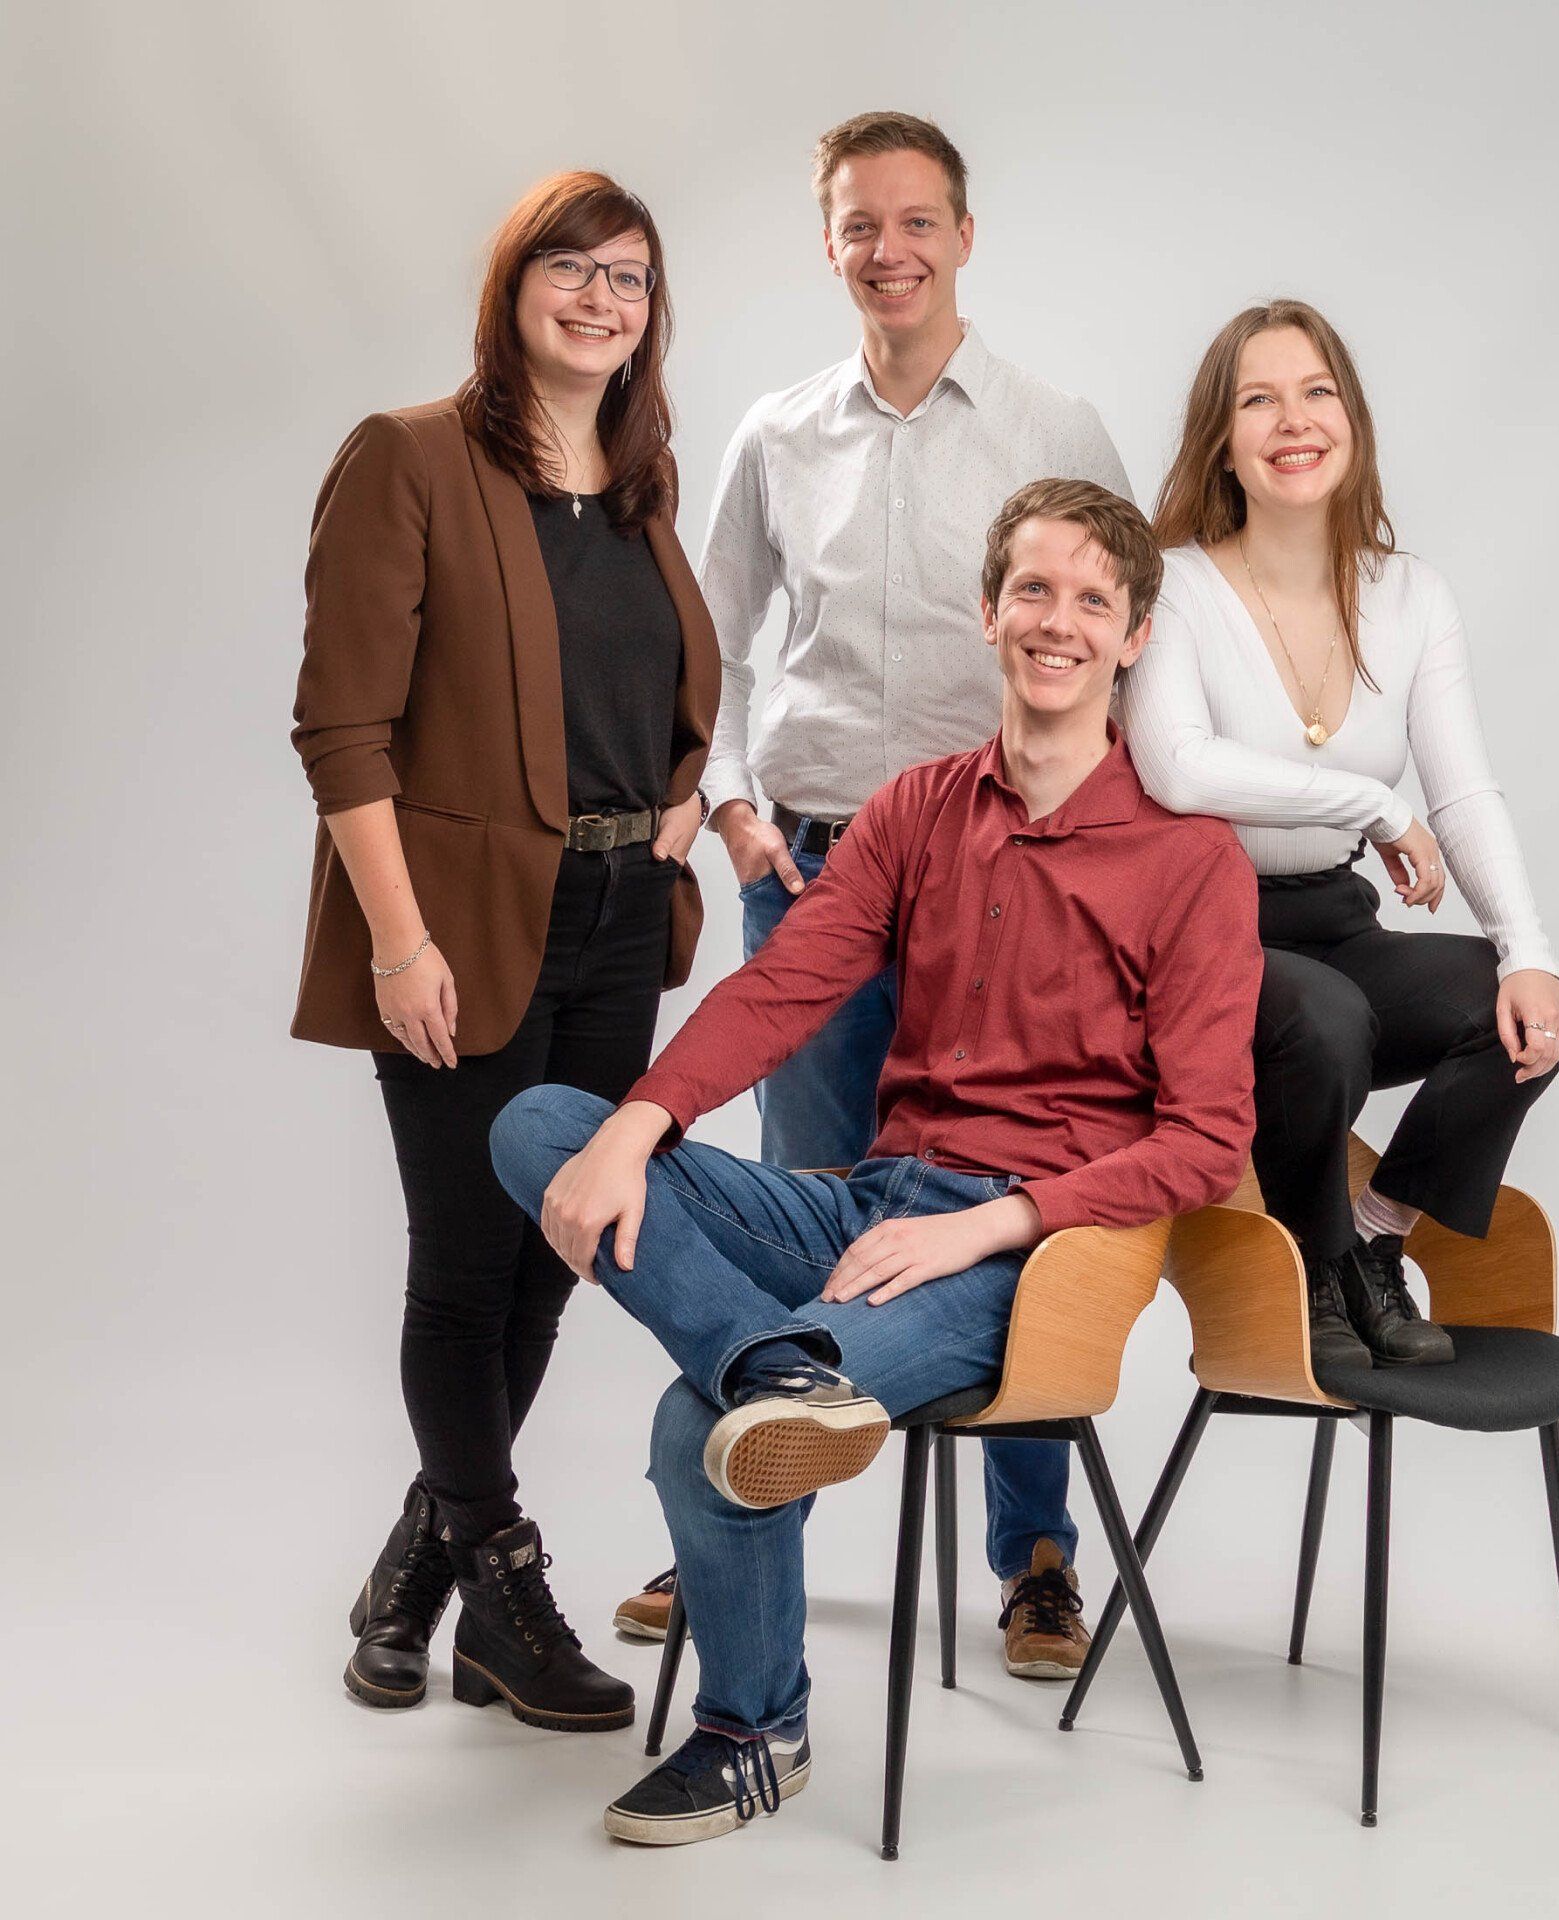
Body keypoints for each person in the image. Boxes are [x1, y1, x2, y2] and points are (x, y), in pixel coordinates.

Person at [490, 480, 1261, 1845]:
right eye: (1033, 590)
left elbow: (1208, 1142)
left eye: (1093, 600)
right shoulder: (918, 810)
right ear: (986, 612)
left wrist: (992, 1227)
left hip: (1026, 1258)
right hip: (865, 1204)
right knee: (544, 1125)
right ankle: (769, 1365)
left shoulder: (1191, 858)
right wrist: (640, 1122)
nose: (1058, 623)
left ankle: (753, 1730)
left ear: (1136, 636)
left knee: (699, 1430)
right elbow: (786, 991)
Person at [613, 110, 1132, 1680]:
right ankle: (736, 1525)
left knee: (995, 1204)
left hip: (1010, 880)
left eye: (916, 221)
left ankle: (1033, 1553)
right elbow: (705, 641)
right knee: (810, 1195)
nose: (888, 249)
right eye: (858, 225)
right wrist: (724, 806)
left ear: (965, 236)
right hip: (827, 867)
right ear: (828, 244)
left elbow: (1124, 640)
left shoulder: (1055, 425)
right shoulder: (780, 436)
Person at [290, 170, 719, 1727]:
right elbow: (340, 725)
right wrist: (397, 946)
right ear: (512, 284)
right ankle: (507, 1583)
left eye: (632, 278)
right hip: (460, 931)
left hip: (615, 926)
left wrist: (680, 803)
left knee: (557, 1257)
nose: (603, 299)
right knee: (465, 1274)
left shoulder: (643, 483)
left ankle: (422, 1569)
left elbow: (654, 702)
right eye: (573, 268)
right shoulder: (406, 458)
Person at [1120, 299, 1559, 1377]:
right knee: (1324, 1022)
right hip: (1202, 936)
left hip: (1335, 920)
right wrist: (1371, 806)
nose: (1296, 420)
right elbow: (1179, 768)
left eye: (1318, 391)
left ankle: (1374, 1241)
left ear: (1354, 420)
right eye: (1260, 399)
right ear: (1222, 441)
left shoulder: (1413, 595)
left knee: (1530, 1002)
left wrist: (1525, 948)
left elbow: (1464, 792)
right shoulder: (1176, 582)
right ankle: (1313, 1269)